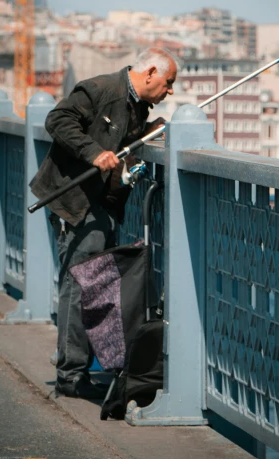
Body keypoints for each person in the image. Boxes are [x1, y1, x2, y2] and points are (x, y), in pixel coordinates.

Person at [30, 47, 177, 399]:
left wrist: (148, 133)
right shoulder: (101, 89)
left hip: (101, 205)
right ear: (151, 72)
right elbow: (57, 120)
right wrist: (93, 152)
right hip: (74, 202)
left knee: (90, 284)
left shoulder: (137, 105)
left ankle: (82, 365)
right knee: (80, 284)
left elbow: (121, 141)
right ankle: (70, 374)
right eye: (168, 82)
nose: (170, 90)